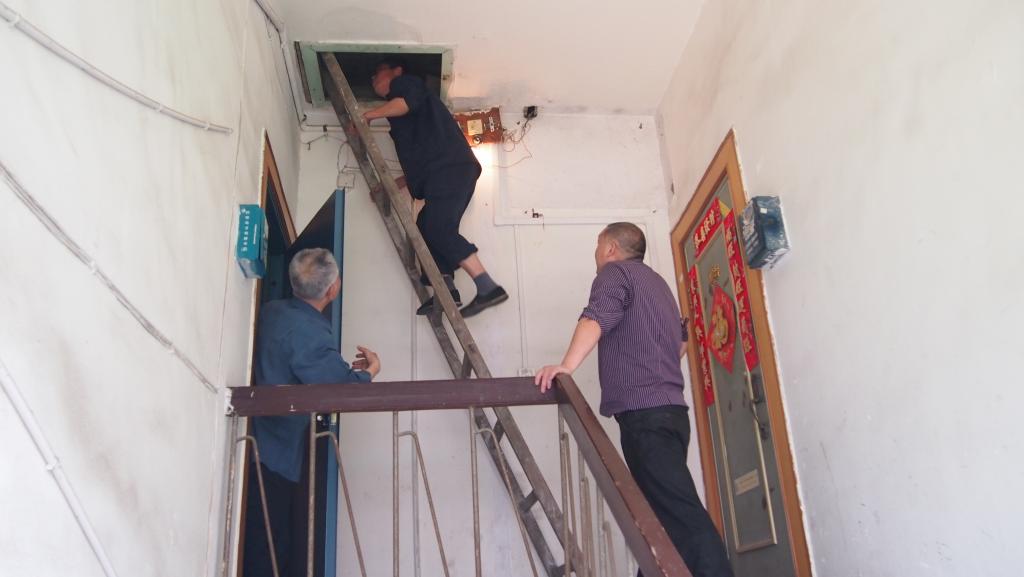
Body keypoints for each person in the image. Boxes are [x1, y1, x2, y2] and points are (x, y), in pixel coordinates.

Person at [535, 223, 734, 577]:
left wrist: (566, 366)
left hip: (646, 416)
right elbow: (679, 345)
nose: (596, 253)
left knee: (681, 516)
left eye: (598, 245)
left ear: (611, 248)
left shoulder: (615, 274)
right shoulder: (659, 286)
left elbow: (596, 317)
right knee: (659, 518)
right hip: (671, 412)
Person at [244, 248, 381, 577]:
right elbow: (342, 390)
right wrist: (370, 371)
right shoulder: (310, 333)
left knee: (261, 542)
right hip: (273, 453)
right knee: (269, 551)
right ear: (333, 289)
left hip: (251, 442)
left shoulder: (271, 311)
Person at [362, 57, 507, 318]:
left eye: (378, 72)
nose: (373, 78)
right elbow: (422, 158)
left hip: (449, 169)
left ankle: (488, 287)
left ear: (397, 70)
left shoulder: (405, 84)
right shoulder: (408, 121)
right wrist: (394, 184)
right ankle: (446, 290)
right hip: (444, 171)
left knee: (438, 228)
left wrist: (369, 115)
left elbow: (407, 102)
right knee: (426, 226)